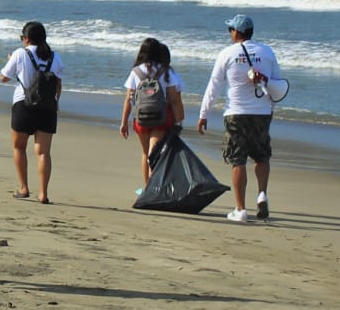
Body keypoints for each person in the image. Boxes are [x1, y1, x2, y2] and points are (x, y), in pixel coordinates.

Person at [197, 14, 283, 223]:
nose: (229, 33)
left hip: (236, 113)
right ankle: (262, 194)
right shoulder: (267, 51)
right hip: (262, 113)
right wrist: (270, 108)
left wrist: (203, 114)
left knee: (238, 160)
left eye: (230, 30)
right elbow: (277, 85)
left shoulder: (227, 53)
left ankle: (241, 209)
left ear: (237, 32)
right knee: (261, 156)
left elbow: (214, 85)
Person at [0, 21, 62, 203]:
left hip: (23, 104)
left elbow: (4, 78)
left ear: (26, 39)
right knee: (43, 152)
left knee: (19, 147)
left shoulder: (20, 53)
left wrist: (11, 60)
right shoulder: (55, 57)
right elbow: (58, 85)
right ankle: (43, 193)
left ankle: (24, 187)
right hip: (48, 107)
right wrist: (56, 103)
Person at [119, 37, 186, 194]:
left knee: (146, 153)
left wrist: (124, 122)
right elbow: (175, 100)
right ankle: (153, 191)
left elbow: (129, 99)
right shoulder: (166, 71)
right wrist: (179, 121)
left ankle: (147, 188)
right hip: (161, 119)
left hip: (140, 118)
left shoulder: (136, 71)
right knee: (154, 154)